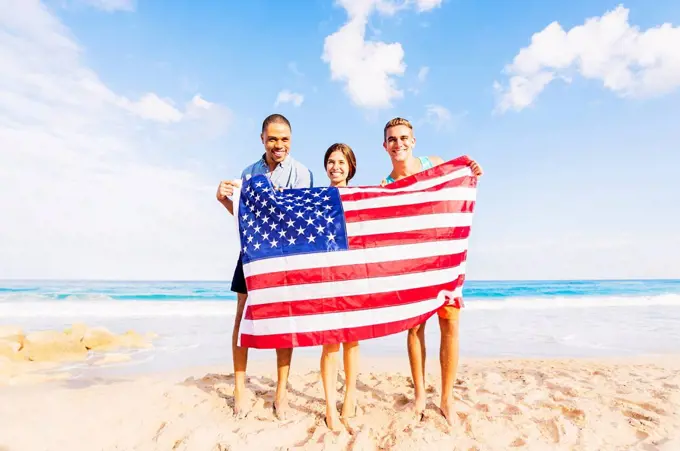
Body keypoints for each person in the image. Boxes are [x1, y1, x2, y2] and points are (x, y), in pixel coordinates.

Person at [379, 117, 483, 426]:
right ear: (385, 146)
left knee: (449, 324)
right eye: (392, 139)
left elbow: (459, 181)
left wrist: (472, 169)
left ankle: (447, 399)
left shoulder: (434, 164)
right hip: (412, 262)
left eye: (404, 138)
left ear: (413, 141)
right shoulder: (386, 185)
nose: (399, 143)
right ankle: (421, 395)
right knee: (414, 328)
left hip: (443, 256)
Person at [216, 113, 313, 420]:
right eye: (272, 139)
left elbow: (297, 220)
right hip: (250, 255)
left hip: (283, 257)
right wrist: (223, 200)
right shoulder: (248, 173)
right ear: (262, 139)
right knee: (241, 318)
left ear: (291, 140)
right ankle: (240, 389)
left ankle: (281, 393)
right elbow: (242, 218)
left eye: (284, 139)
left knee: (283, 324)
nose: (278, 145)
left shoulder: (301, 173)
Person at [319, 143, 360, 431]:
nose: (336, 167)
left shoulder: (362, 197)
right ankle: (330, 406)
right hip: (327, 277)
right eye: (331, 161)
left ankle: (350, 396)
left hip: (354, 275)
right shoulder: (317, 198)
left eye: (341, 162)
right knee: (330, 342)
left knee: (353, 340)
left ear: (350, 167)